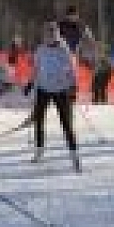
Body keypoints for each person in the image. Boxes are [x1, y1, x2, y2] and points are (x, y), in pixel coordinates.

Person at [24, 21, 81, 171]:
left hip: (61, 90)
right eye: (47, 33)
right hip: (43, 88)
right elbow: (36, 68)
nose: (49, 36)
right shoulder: (41, 50)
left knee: (66, 123)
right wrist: (30, 83)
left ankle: (74, 154)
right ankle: (39, 150)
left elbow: (72, 70)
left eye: (52, 33)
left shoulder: (64, 49)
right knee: (38, 120)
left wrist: (74, 87)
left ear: (57, 34)